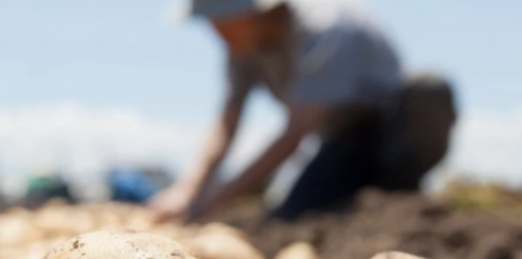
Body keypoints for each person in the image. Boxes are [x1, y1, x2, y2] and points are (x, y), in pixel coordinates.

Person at [148, 0, 457, 221]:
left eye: (221, 21)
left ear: (251, 11)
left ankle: (403, 194)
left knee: (428, 91)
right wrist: (188, 190)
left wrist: (214, 201)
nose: (217, 32)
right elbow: (228, 123)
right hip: (341, 138)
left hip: (390, 124)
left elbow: (295, 133)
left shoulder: (324, 28)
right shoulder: (243, 51)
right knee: (293, 212)